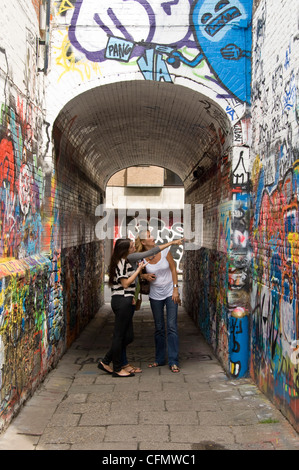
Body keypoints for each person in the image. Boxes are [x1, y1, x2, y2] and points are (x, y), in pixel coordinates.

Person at [98, 235, 184, 377]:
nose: (134, 247)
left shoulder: (128, 260)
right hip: (122, 300)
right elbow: (125, 283)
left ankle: (121, 363)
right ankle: (114, 365)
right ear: (126, 250)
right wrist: (140, 272)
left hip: (129, 299)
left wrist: (140, 282)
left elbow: (136, 276)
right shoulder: (126, 260)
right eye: (131, 246)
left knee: (128, 336)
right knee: (121, 336)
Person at [136, 230, 183, 373]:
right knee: (159, 327)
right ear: (144, 242)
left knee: (171, 326)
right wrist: (145, 276)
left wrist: (176, 289)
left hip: (170, 292)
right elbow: (137, 273)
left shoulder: (164, 251)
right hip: (155, 294)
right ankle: (160, 359)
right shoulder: (142, 258)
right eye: (149, 236)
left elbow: (174, 269)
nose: (153, 238)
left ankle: (174, 361)